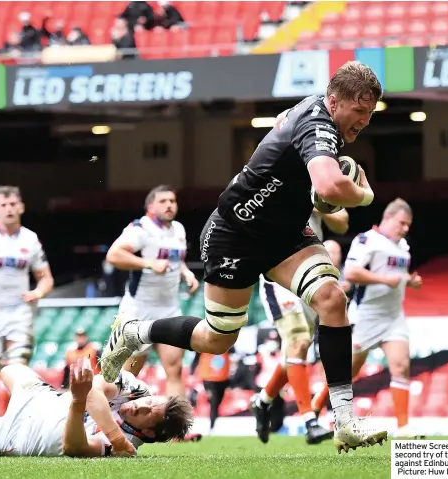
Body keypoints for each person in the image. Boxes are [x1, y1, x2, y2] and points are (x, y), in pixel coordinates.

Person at [100, 60, 386, 453]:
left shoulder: (314, 113)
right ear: (334, 102)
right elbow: (331, 186)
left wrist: (310, 192)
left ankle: (344, 421)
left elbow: (302, 163)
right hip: (234, 234)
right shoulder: (319, 126)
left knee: (332, 299)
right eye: (359, 111)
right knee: (217, 339)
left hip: (284, 235)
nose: (365, 121)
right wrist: (363, 193)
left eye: (370, 114)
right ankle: (135, 331)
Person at [252, 210, 349, 445]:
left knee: (294, 355)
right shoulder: (268, 185)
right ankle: (309, 422)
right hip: (278, 274)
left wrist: (319, 207)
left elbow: (342, 223)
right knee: (298, 342)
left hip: (311, 275)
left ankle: (262, 401)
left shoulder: (319, 184)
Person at [106, 184, 199, 398]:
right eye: (163, 201)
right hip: (138, 310)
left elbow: (177, 260)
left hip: (169, 309)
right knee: (127, 376)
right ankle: (117, 425)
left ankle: (178, 430)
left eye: (172, 201)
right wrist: (149, 263)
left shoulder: (179, 229)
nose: (169, 205)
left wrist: (186, 273)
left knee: (175, 371)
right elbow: (113, 255)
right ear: (150, 206)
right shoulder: (140, 228)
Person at [0, 359, 194, 457]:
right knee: (11, 370)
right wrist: (116, 436)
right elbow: (92, 389)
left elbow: (74, 447)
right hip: (42, 399)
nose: (141, 405)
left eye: (148, 413)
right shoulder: (139, 391)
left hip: (18, 437)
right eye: (150, 402)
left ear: (149, 432)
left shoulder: (127, 448)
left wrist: (78, 404)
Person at [344, 198, 424, 439]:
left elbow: (396, 274)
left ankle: (403, 428)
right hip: (367, 314)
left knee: (401, 367)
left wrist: (410, 280)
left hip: (393, 315)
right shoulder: (366, 239)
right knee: (349, 370)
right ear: (387, 218)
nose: (406, 228)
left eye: (408, 225)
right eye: (402, 223)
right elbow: (351, 272)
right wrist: (383, 280)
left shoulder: (403, 247)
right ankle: (318, 405)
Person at [0, 186, 54, 385]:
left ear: (21, 207)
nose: (8, 209)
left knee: (17, 373)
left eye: (13, 204)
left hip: (19, 313)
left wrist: (38, 292)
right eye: (3, 205)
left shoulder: (31, 239)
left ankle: (16, 416)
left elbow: (46, 278)